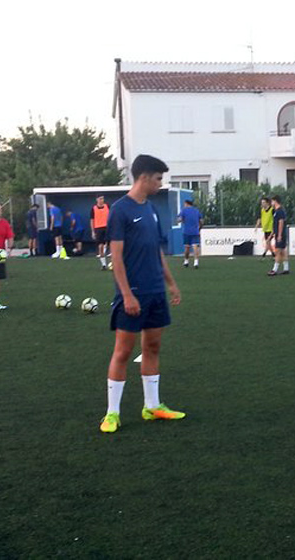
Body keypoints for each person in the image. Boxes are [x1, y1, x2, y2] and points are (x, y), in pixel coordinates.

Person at [100, 154, 184, 433]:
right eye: (159, 178)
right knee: (123, 352)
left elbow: (156, 251)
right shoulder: (120, 210)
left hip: (155, 292)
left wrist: (170, 283)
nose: (161, 183)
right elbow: (117, 257)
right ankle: (112, 413)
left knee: (152, 347)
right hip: (132, 294)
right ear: (144, 177)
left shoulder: (151, 209)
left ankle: (152, 405)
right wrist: (126, 295)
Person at [267, 195, 290, 276]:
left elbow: (281, 223)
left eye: (272, 201)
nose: (271, 203)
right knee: (283, 251)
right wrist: (271, 235)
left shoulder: (280, 211)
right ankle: (286, 268)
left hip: (281, 234)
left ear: (275, 201)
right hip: (279, 233)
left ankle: (274, 270)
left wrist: (279, 235)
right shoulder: (276, 211)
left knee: (278, 252)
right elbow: (275, 225)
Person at [178, 199, 203, 268]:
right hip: (195, 231)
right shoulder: (196, 211)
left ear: (186, 204)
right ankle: (196, 262)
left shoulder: (184, 210)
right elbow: (201, 221)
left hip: (187, 231)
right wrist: (199, 228)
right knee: (195, 246)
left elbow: (179, 219)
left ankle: (186, 261)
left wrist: (182, 220)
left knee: (187, 247)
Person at [90, 195, 110, 270]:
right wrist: (92, 231)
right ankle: (103, 264)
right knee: (100, 246)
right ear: (97, 200)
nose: (102, 200)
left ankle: (113, 263)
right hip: (98, 228)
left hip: (107, 227)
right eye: (100, 199)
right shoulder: (93, 208)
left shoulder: (107, 206)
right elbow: (92, 220)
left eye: (103, 199)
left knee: (111, 245)